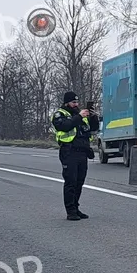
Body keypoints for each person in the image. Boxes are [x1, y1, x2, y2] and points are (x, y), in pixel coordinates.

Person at [51, 91, 99, 220]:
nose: (76, 104)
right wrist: (79, 116)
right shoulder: (60, 114)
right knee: (71, 181)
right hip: (69, 151)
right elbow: (65, 126)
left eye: (77, 102)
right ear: (67, 102)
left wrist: (93, 117)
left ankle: (76, 208)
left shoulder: (81, 115)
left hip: (82, 152)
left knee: (79, 182)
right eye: (73, 102)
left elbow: (92, 129)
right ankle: (70, 211)